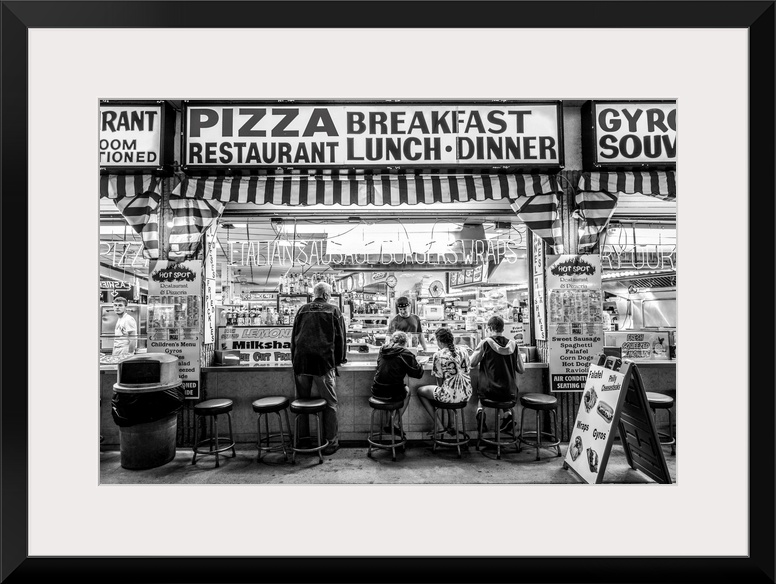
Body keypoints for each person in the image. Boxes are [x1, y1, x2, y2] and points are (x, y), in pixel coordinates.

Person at [290, 281, 347, 455]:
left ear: (314, 295)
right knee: (330, 404)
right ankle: (330, 442)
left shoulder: (301, 310)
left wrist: (295, 360)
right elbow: (341, 340)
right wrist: (339, 360)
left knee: (301, 401)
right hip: (323, 363)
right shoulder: (334, 311)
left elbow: (293, 339)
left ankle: (303, 440)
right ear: (328, 296)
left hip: (301, 363)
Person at [470, 315, 525, 434]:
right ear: (503, 329)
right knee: (503, 391)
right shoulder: (513, 345)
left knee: (482, 395)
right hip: (510, 393)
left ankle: (481, 418)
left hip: (489, 392)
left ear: (489, 328)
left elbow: (472, 363)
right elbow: (521, 369)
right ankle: (507, 415)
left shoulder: (485, 343)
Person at [416, 327, 472, 436]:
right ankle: (451, 424)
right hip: (466, 394)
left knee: (420, 391)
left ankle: (439, 426)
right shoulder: (464, 351)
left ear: (439, 341)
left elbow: (440, 382)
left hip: (448, 395)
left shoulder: (438, 355)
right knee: (449, 391)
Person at [371, 331, 425, 435]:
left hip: (376, 391)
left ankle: (388, 423)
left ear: (392, 340)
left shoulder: (382, 350)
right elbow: (417, 374)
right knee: (407, 391)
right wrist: (420, 364)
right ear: (405, 342)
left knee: (392, 389)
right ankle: (394, 422)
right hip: (394, 394)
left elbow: (379, 364)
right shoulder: (406, 353)